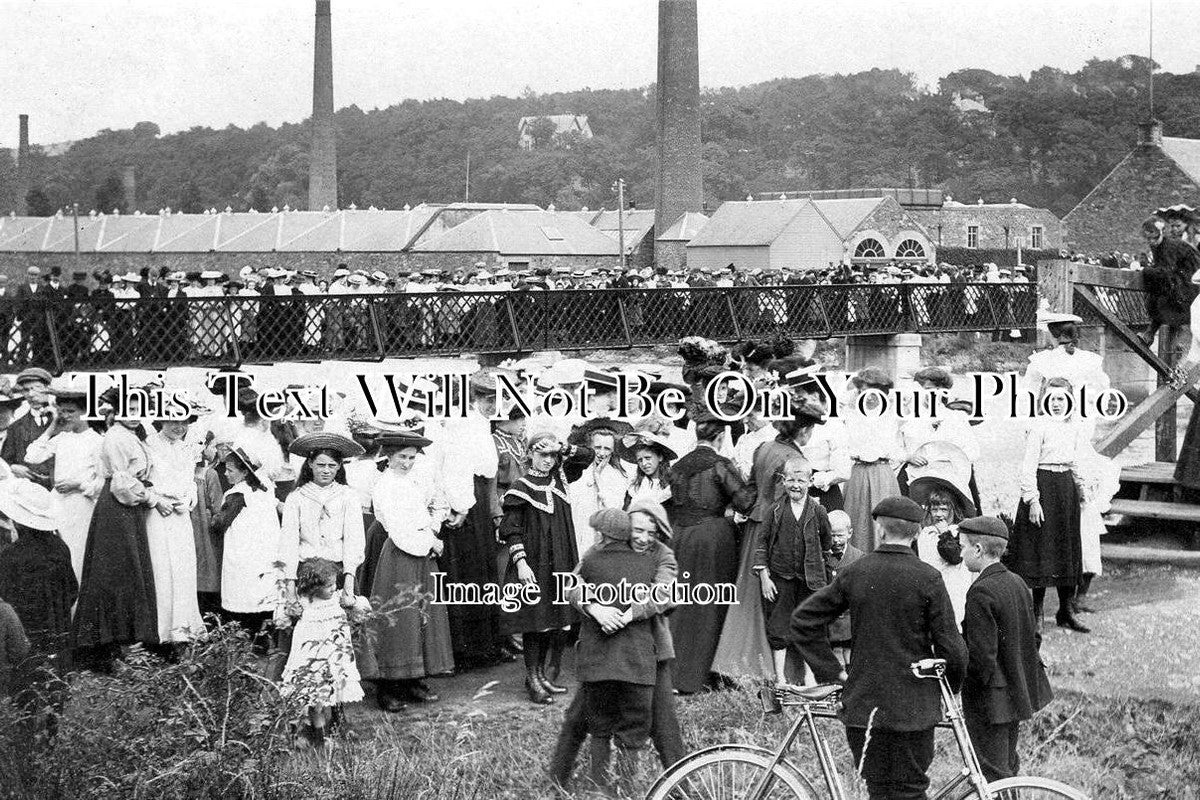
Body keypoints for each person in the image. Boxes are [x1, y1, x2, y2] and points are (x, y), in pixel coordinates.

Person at [790, 496, 968, 800]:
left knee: (879, 790)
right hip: (914, 709)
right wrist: (948, 690)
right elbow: (953, 649)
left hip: (864, 707)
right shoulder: (928, 577)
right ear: (915, 533)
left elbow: (803, 620)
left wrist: (832, 673)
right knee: (911, 790)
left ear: (880, 529)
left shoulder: (857, 571)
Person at [570, 508, 662, 798]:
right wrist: (630, 614)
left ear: (602, 535)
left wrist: (594, 608)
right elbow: (664, 598)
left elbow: (570, 587)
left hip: (597, 665)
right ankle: (628, 790)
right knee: (632, 733)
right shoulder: (648, 564)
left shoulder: (589, 561)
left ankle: (599, 789)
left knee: (599, 727)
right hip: (637, 665)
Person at [359, 430, 454, 711]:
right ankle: (388, 687)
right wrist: (432, 543)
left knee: (420, 618)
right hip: (402, 554)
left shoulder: (410, 480)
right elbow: (398, 529)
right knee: (398, 619)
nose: (407, 462)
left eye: (412, 457)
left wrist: (432, 531)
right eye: (402, 457)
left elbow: (425, 514)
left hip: (420, 553)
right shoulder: (386, 485)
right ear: (389, 456)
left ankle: (413, 679)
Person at [498, 431, 592, 705]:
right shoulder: (520, 487)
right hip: (534, 562)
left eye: (552, 456)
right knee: (534, 621)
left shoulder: (560, 479)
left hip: (560, 559)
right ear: (530, 456)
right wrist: (521, 563)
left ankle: (541, 675)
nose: (548, 461)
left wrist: (564, 446)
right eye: (542, 455)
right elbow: (511, 530)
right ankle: (532, 678)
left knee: (553, 621)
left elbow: (586, 457)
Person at [959, 516, 1053, 783]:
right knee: (1007, 768)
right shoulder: (1017, 582)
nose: (961, 552)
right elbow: (1034, 636)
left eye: (963, 546)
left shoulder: (980, 592)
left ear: (978, 549)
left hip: (989, 701)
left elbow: (981, 659)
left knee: (992, 775)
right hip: (1015, 693)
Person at [665, 414, 754, 694]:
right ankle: (701, 674)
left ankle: (673, 673)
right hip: (712, 537)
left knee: (683, 600)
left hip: (680, 535)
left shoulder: (678, 465)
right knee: (711, 602)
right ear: (720, 437)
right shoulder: (719, 465)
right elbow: (745, 502)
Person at [71, 418, 161, 667]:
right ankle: (105, 648)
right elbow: (122, 485)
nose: (133, 414)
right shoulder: (116, 437)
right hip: (118, 507)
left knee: (128, 572)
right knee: (115, 573)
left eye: (137, 408)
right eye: (127, 409)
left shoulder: (133, 434)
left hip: (126, 510)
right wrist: (152, 497)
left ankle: (123, 645)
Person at [1007, 378, 1091, 633]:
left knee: (1067, 548)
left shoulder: (1074, 427)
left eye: (1062, 399)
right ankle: (1037, 613)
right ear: (1045, 400)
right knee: (1041, 550)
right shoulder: (1038, 427)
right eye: (1052, 399)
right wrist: (1033, 500)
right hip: (1044, 487)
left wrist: (1083, 489)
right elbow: (1028, 466)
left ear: (1070, 401)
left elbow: (1076, 461)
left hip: (1065, 489)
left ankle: (1065, 610)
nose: (1057, 404)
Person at [0, 478, 77, 733]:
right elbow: (72, 591)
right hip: (59, 635)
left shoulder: (11, 557)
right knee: (55, 692)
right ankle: (51, 737)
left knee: (25, 699)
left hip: (27, 638)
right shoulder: (60, 548)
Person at [753, 457, 832, 689]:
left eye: (800, 480)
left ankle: (809, 678)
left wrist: (821, 573)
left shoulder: (818, 511)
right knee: (779, 626)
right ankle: (781, 679)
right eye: (790, 480)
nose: (795, 485)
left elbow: (826, 543)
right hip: (781, 578)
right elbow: (762, 542)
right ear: (783, 481)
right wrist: (765, 577)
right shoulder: (775, 510)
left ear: (810, 482)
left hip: (811, 581)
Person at [279, 557, 365, 749]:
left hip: (333, 656)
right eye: (328, 586)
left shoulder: (336, 599)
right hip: (312, 658)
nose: (334, 588)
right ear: (314, 587)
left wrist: (355, 602)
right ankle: (314, 735)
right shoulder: (306, 603)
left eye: (335, 583)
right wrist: (286, 612)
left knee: (329, 693)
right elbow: (283, 615)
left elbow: (360, 607)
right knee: (313, 696)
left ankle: (325, 734)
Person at [278, 433, 367, 612]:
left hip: (339, 571)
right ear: (310, 464)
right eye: (320, 465)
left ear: (339, 466)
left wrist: (348, 582)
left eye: (331, 465)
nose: (326, 470)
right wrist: (290, 587)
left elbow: (354, 540)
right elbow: (288, 543)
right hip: (306, 572)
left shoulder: (348, 496)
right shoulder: (297, 498)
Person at [22, 387, 103, 583]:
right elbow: (31, 456)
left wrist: (79, 485)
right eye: (62, 411)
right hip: (58, 504)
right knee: (58, 553)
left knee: (78, 554)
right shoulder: (62, 438)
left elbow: (101, 482)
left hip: (81, 506)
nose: (65, 416)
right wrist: (51, 428)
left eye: (71, 411)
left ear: (85, 412)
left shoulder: (97, 441)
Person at [144, 413, 205, 648]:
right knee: (161, 569)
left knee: (183, 569)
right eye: (173, 421)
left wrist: (189, 499)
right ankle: (160, 634)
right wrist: (157, 500)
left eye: (184, 422)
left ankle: (183, 630)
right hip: (158, 513)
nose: (179, 427)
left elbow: (191, 480)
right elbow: (144, 481)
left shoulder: (187, 448)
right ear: (161, 421)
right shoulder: (149, 445)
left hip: (180, 515)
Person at [213, 446, 283, 647]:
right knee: (261, 595)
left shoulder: (237, 495)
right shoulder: (265, 488)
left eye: (230, 470)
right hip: (264, 552)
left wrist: (210, 516)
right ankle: (262, 641)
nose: (225, 474)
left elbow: (219, 524)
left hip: (245, 554)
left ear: (245, 472)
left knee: (242, 596)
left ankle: (242, 642)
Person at [842, 368, 903, 553]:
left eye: (870, 392)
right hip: (858, 473)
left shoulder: (891, 416)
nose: (865, 397)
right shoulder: (850, 415)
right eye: (861, 392)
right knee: (857, 522)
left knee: (884, 523)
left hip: (881, 473)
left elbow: (896, 450)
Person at [910, 476, 976, 629]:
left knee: (952, 620)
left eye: (944, 510)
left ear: (953, 510)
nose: (939, 514)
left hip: (953, 586)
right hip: (930, 587)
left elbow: (954, 556)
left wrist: (945, 534)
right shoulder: (926, 533)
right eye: (934, 509)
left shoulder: (958, 532)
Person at [568, 428, 631, 561]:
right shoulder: (578, 471)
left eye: (607, 448)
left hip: (600, 535)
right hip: (576, 528)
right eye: (597, 447)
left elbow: (614, 508)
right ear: (590, 448)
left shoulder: (618, 476)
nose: (602, 453)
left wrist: (598, 477)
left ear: (613, 451)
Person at [1140, 215, 1200, 350]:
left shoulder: (1169, 246)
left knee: (1171, 296)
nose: (1151, 242)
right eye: (1148, 239)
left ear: (1161, 233)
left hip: (1192, 280)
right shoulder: (1158, 246)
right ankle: (1150, 334)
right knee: (1157, 295)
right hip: (1180, 278)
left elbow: (1166, 271)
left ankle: (1183, 337)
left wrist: (1145, 270)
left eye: (1154, 238)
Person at [824, 510, 861, 669]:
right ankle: (837, 684)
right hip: (830, 614)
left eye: (840, 535)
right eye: (832, 536)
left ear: (850, 533)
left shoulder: (858, 557)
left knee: (849, 648)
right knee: (835, 649)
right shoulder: (822, 557)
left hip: (849, 615)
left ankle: (850, 677)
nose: (836, 540)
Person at [619, 431, 674, 508]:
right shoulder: (634, 488)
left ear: (660, 457)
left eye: (648, 458)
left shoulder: (671, 485)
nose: (644, 463)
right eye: (640, 460)